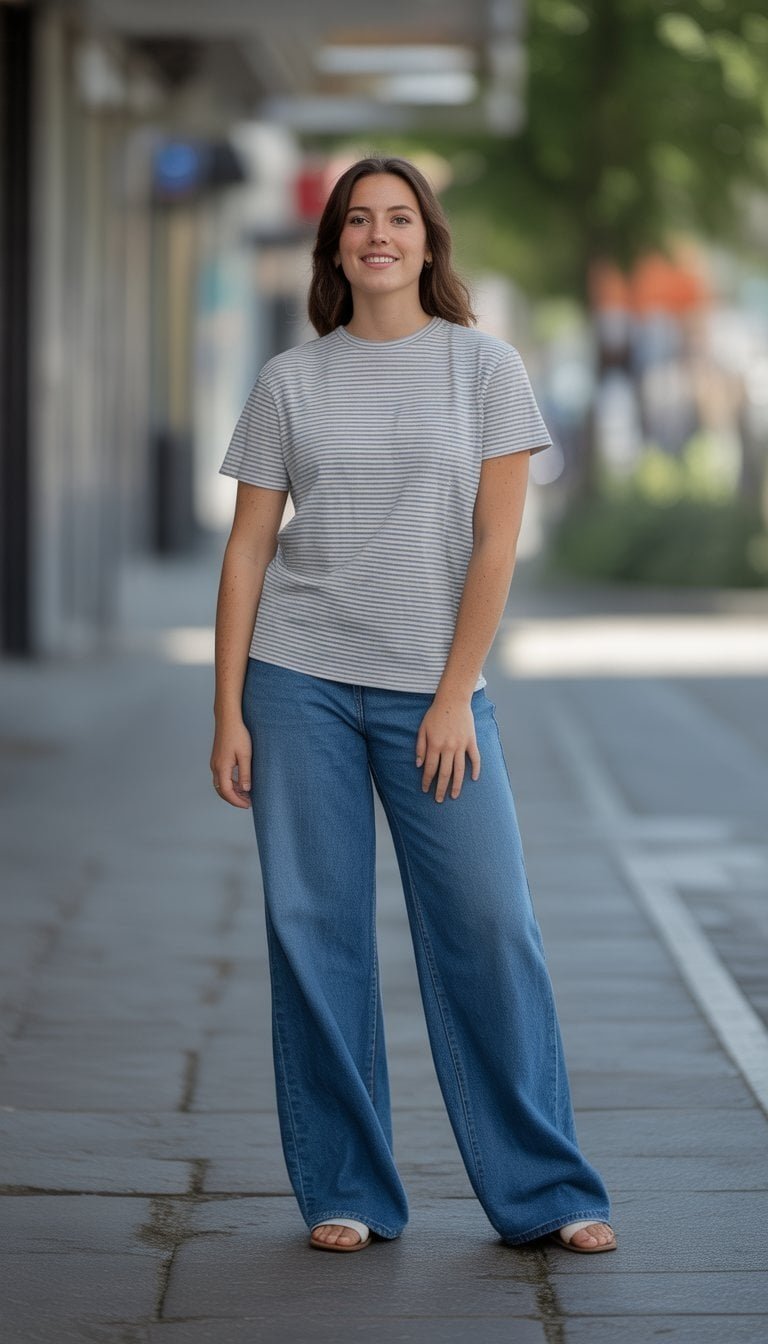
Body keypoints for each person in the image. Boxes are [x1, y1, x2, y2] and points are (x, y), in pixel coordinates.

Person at [210, 154, 617, 1256]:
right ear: (335, 246)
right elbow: (247, 553)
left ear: (429, 242)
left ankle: (549, 1191)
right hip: (298, 683)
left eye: (399, 218)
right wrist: (228, 710)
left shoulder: (484, 367)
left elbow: (496, 543)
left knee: (492, 926)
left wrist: (453, 695)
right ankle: (346, 1189)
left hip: (434, 695)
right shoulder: (290, 381)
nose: (378, 235)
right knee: (314, 931)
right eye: (358, 220)